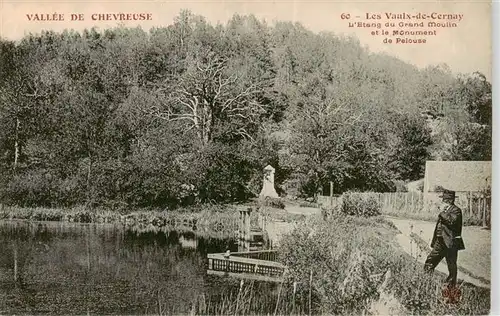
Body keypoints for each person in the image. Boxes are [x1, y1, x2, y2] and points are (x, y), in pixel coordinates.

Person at [424, 189, 465, 287]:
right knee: (431, 260)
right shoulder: (445, 211)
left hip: (451, 242)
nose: (442, 202)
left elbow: (451, 221)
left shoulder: (456, 210)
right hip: (440, 241)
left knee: (451, 264)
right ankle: (426, 280)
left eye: (444, 200)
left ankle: (450, 286)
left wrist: (442, 212)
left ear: (450, 201)